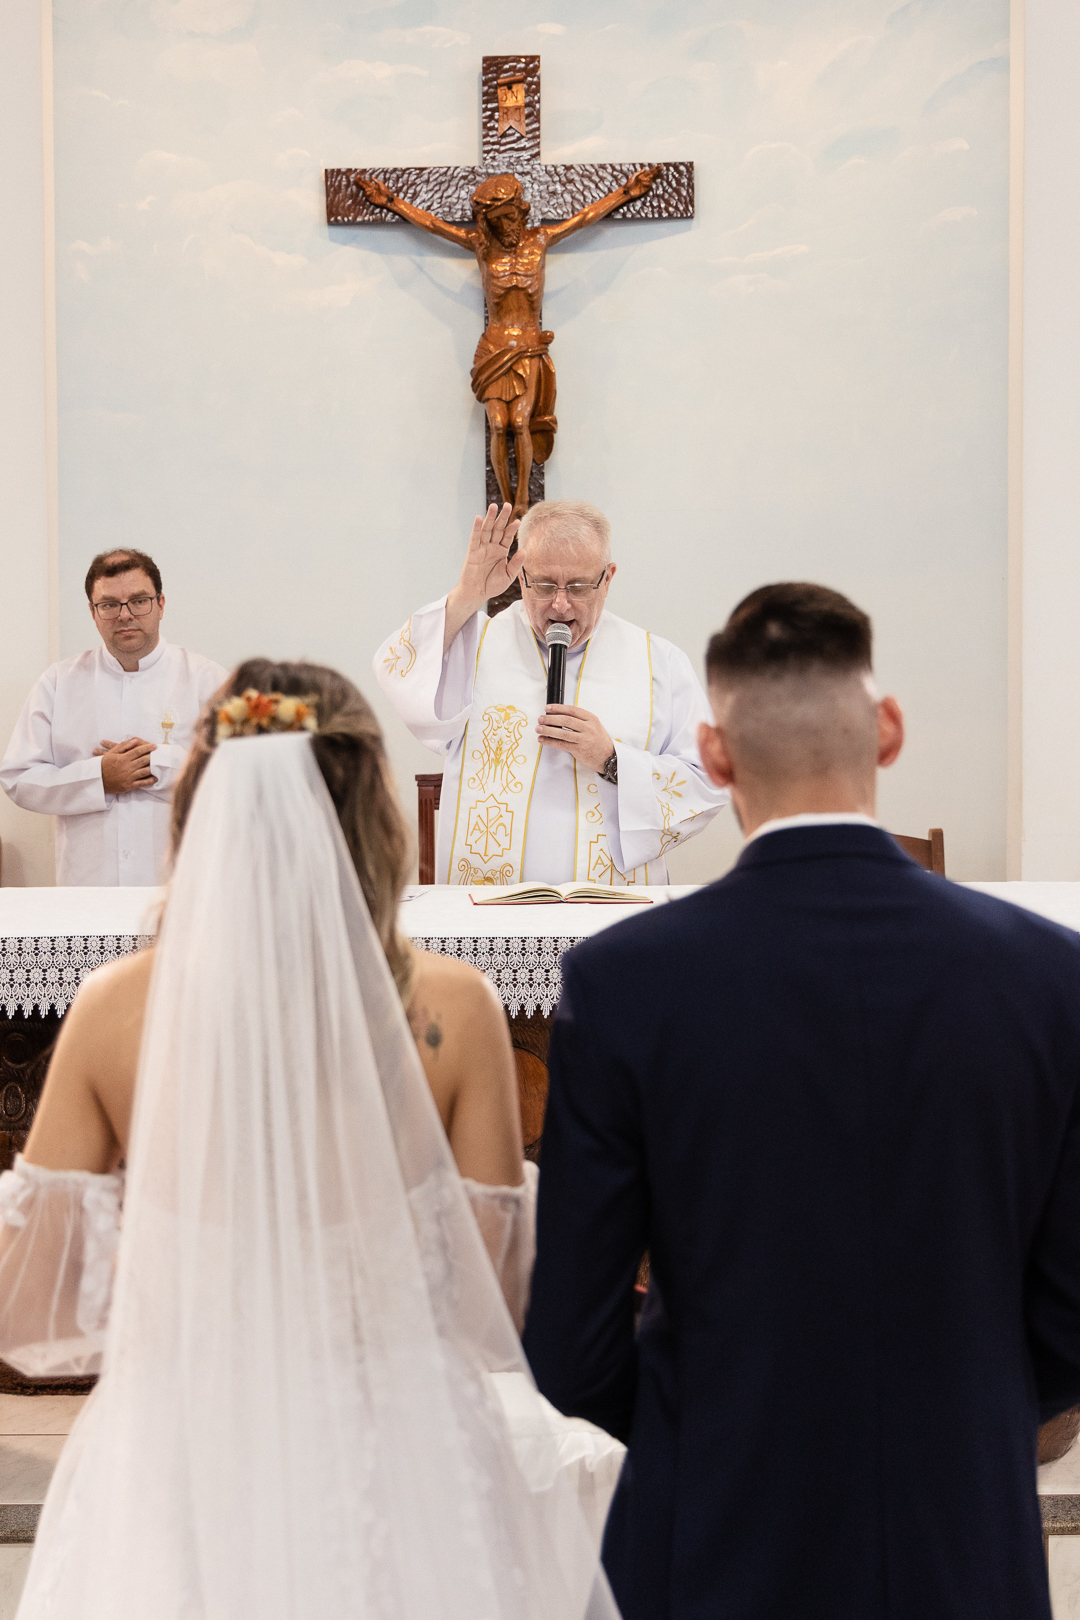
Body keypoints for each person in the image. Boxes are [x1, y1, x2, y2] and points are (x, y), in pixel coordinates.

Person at [0, 661, 623, 1619]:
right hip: (397, 1446)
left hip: (186, 1445)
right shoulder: (454, 1008)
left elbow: (31, 1306)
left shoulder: (115, 1007)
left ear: (197, 815)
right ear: (372, 816)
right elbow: (491, 1303)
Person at [523, 582, 1080, 1620]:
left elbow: (571, 1342)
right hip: (961, 1531)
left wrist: (702, 1429)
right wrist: (967, 1416)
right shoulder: (1047, 975)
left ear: (714, 754)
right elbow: (1073, 1306)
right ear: (889, 730)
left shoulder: (627, 982)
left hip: (715, 1532)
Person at [374, 500, 727, 887]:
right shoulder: (474, 645)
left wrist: (612, 760)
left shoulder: (657, 662)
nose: (560, 604)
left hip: (608, 908)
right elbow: (397, 671)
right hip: (490, 907)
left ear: (607, 578)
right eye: (543, 585)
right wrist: (466, 595)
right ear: (521, 577)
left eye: (578, 586)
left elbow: (707, 781)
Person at [354, 169, 659, 516]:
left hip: (528, 346)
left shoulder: (540, 240)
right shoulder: (482, 247)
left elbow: (584, 218)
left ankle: (524, 500)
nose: (505, 226)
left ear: (520, 211)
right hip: (494, 348)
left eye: (509, 217)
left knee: (521, 422)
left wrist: (627, 192)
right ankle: (506, 500)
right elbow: (435, 226)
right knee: (499, 425)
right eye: (497, 220)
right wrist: (390, 202)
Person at [0, 548, 226, 885]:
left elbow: (234, 777)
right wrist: (99, 779)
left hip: (181, 885)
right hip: (89, 884)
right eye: (109, 605)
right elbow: (18, 779)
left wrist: (159, 764)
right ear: (93, 612)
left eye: (139, 601)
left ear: (161, 604)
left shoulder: (208, 680)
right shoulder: (59, 682)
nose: (125, 615)